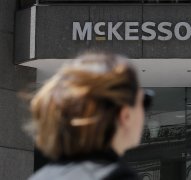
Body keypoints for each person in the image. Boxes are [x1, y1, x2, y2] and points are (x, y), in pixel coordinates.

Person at [26, 52, 153, 180]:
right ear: (125, 115)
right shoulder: (118, 177)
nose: (144, 112)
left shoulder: (41, 176)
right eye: (145, 101)